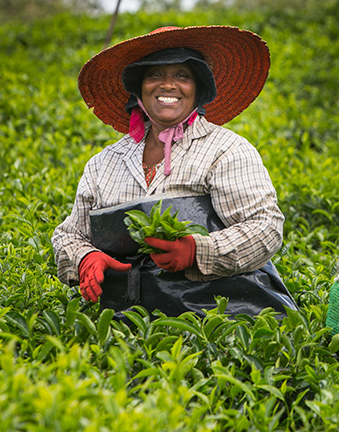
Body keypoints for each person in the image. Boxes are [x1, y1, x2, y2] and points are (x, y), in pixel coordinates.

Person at [52, 25, 297, 317]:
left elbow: (265, 227)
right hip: (126, 321)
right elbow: (68, 234)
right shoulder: (105, 163)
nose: (168, 85)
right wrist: (85, 257)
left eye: (182, 75)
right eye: (155, 74)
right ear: (139, 88)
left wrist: (198, 251)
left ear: (199, 89)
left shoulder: (226, 150)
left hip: (217, 318)